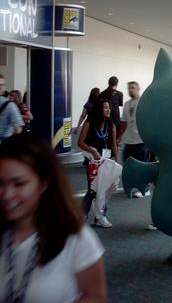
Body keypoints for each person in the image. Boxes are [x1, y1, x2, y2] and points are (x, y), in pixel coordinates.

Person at [0, 133, 106, 302]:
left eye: (19, 184)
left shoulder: (75, 237)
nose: (6, 194)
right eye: (0, 183)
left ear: (43, 183)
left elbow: (94, 296)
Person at [78, 100, 119, 228]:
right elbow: (80, 142)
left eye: (109, 108)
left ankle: (100, 217)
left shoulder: (111, 125)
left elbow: (114, 145)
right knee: (93, 189)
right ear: (98, 110)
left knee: (106, 189)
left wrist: (116, 161)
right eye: (105, 107)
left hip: (107, 161)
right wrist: (92, 151)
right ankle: (81, 216)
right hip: (94, 161)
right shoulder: (89, 123)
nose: (108, 110)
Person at [118, 81, 153, 208]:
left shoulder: (144, 103)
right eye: (129, 88)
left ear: (138, 89)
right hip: (129, 140)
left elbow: (149, 120)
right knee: (127, 165)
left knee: (142, 166)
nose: (130, 90)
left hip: (141, 140)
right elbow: (123, 122)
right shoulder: (127, 104)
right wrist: (118, 137)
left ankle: (146, 189)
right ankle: (134, 185)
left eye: (133, 88)